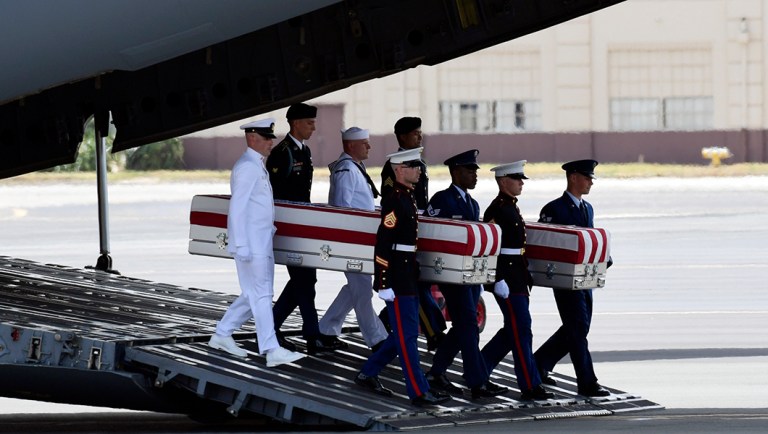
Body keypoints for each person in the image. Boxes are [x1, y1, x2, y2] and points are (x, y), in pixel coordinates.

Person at [354, 147, 451, 407]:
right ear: (399, 170)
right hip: (397, 278)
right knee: (408, 337)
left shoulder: (408, 196)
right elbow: (383, 243)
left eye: (419, 166)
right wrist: (383, 282)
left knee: (403, 335)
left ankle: (368, 373)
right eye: (413, 166)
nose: (419, 170)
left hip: (408, 275)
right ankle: (418, 391)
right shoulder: (395, 199)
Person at [208, 118, 305, 368]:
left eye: (271, 138)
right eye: (266, 138)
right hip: (251, 245)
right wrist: (240, 244)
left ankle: (222, 333)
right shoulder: (248, 167)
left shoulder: (255, 165)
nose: (271, 142)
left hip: (260, 241)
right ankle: (271, 349)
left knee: (254, 294)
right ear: (252, 138)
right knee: (262, 294)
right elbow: (237, 208)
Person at [423, 150, 508, 399]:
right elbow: (431, 234)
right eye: (470, 170)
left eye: (475, 171)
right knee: (469, 324)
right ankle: (477, 381)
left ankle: (437, 371)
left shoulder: (472, 204)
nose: (475, 175)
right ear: (456, 172)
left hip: (470, 276)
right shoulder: (442, 200)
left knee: (463, 326)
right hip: (451, 275)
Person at [267, 103, 342, 354]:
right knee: (305, 279)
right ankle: (311, 335)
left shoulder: (304, 150)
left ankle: (272, 327)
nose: (314, 128)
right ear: (296, 123)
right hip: (288, 227)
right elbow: (276, 195)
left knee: (304, 279)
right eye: (310, 123)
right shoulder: (282, 153)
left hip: (301, 226)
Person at [534, 159, 612, 397]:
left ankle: (539, 363)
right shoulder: (553, 209)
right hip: (565, 280)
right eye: (587, 178)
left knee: (578, 327)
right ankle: (587, 382)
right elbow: (545, 244)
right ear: (573, 178)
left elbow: (589, 240)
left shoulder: (587, 208)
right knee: (577, 329)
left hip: (586, 278)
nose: (590, 183)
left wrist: (604, 257)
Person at [479, 161, 555, 401]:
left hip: (518, 277)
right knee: (522, 330)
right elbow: (491, 248)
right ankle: (529, 385)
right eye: (517, 179)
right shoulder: (498, 209)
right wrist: (497, 279)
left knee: (513, 330)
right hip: (507, 280)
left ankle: (479, 371)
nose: (522, 183)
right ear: (503, 182)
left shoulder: (510, 206)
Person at [318, 127, 388, 352]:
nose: (369, 147)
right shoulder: (346, 169)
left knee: (355, 289)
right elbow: (342, 208)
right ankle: (378, 339)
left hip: (361, 240)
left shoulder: (354, 167)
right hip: (352, 241)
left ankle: (326, 329)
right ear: (350, 145)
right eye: (364, 143)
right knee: (363, 290)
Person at [379, 116, 446, 351]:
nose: (420, 136)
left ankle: (384, 323)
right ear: (402, 137)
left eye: (420, 132)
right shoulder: (393, 165)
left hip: (418, 227)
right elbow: (390, 200)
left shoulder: (419, 163)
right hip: (403, 232)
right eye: (415, 133)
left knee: (417, 285)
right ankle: (434, 332)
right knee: (413, 287)